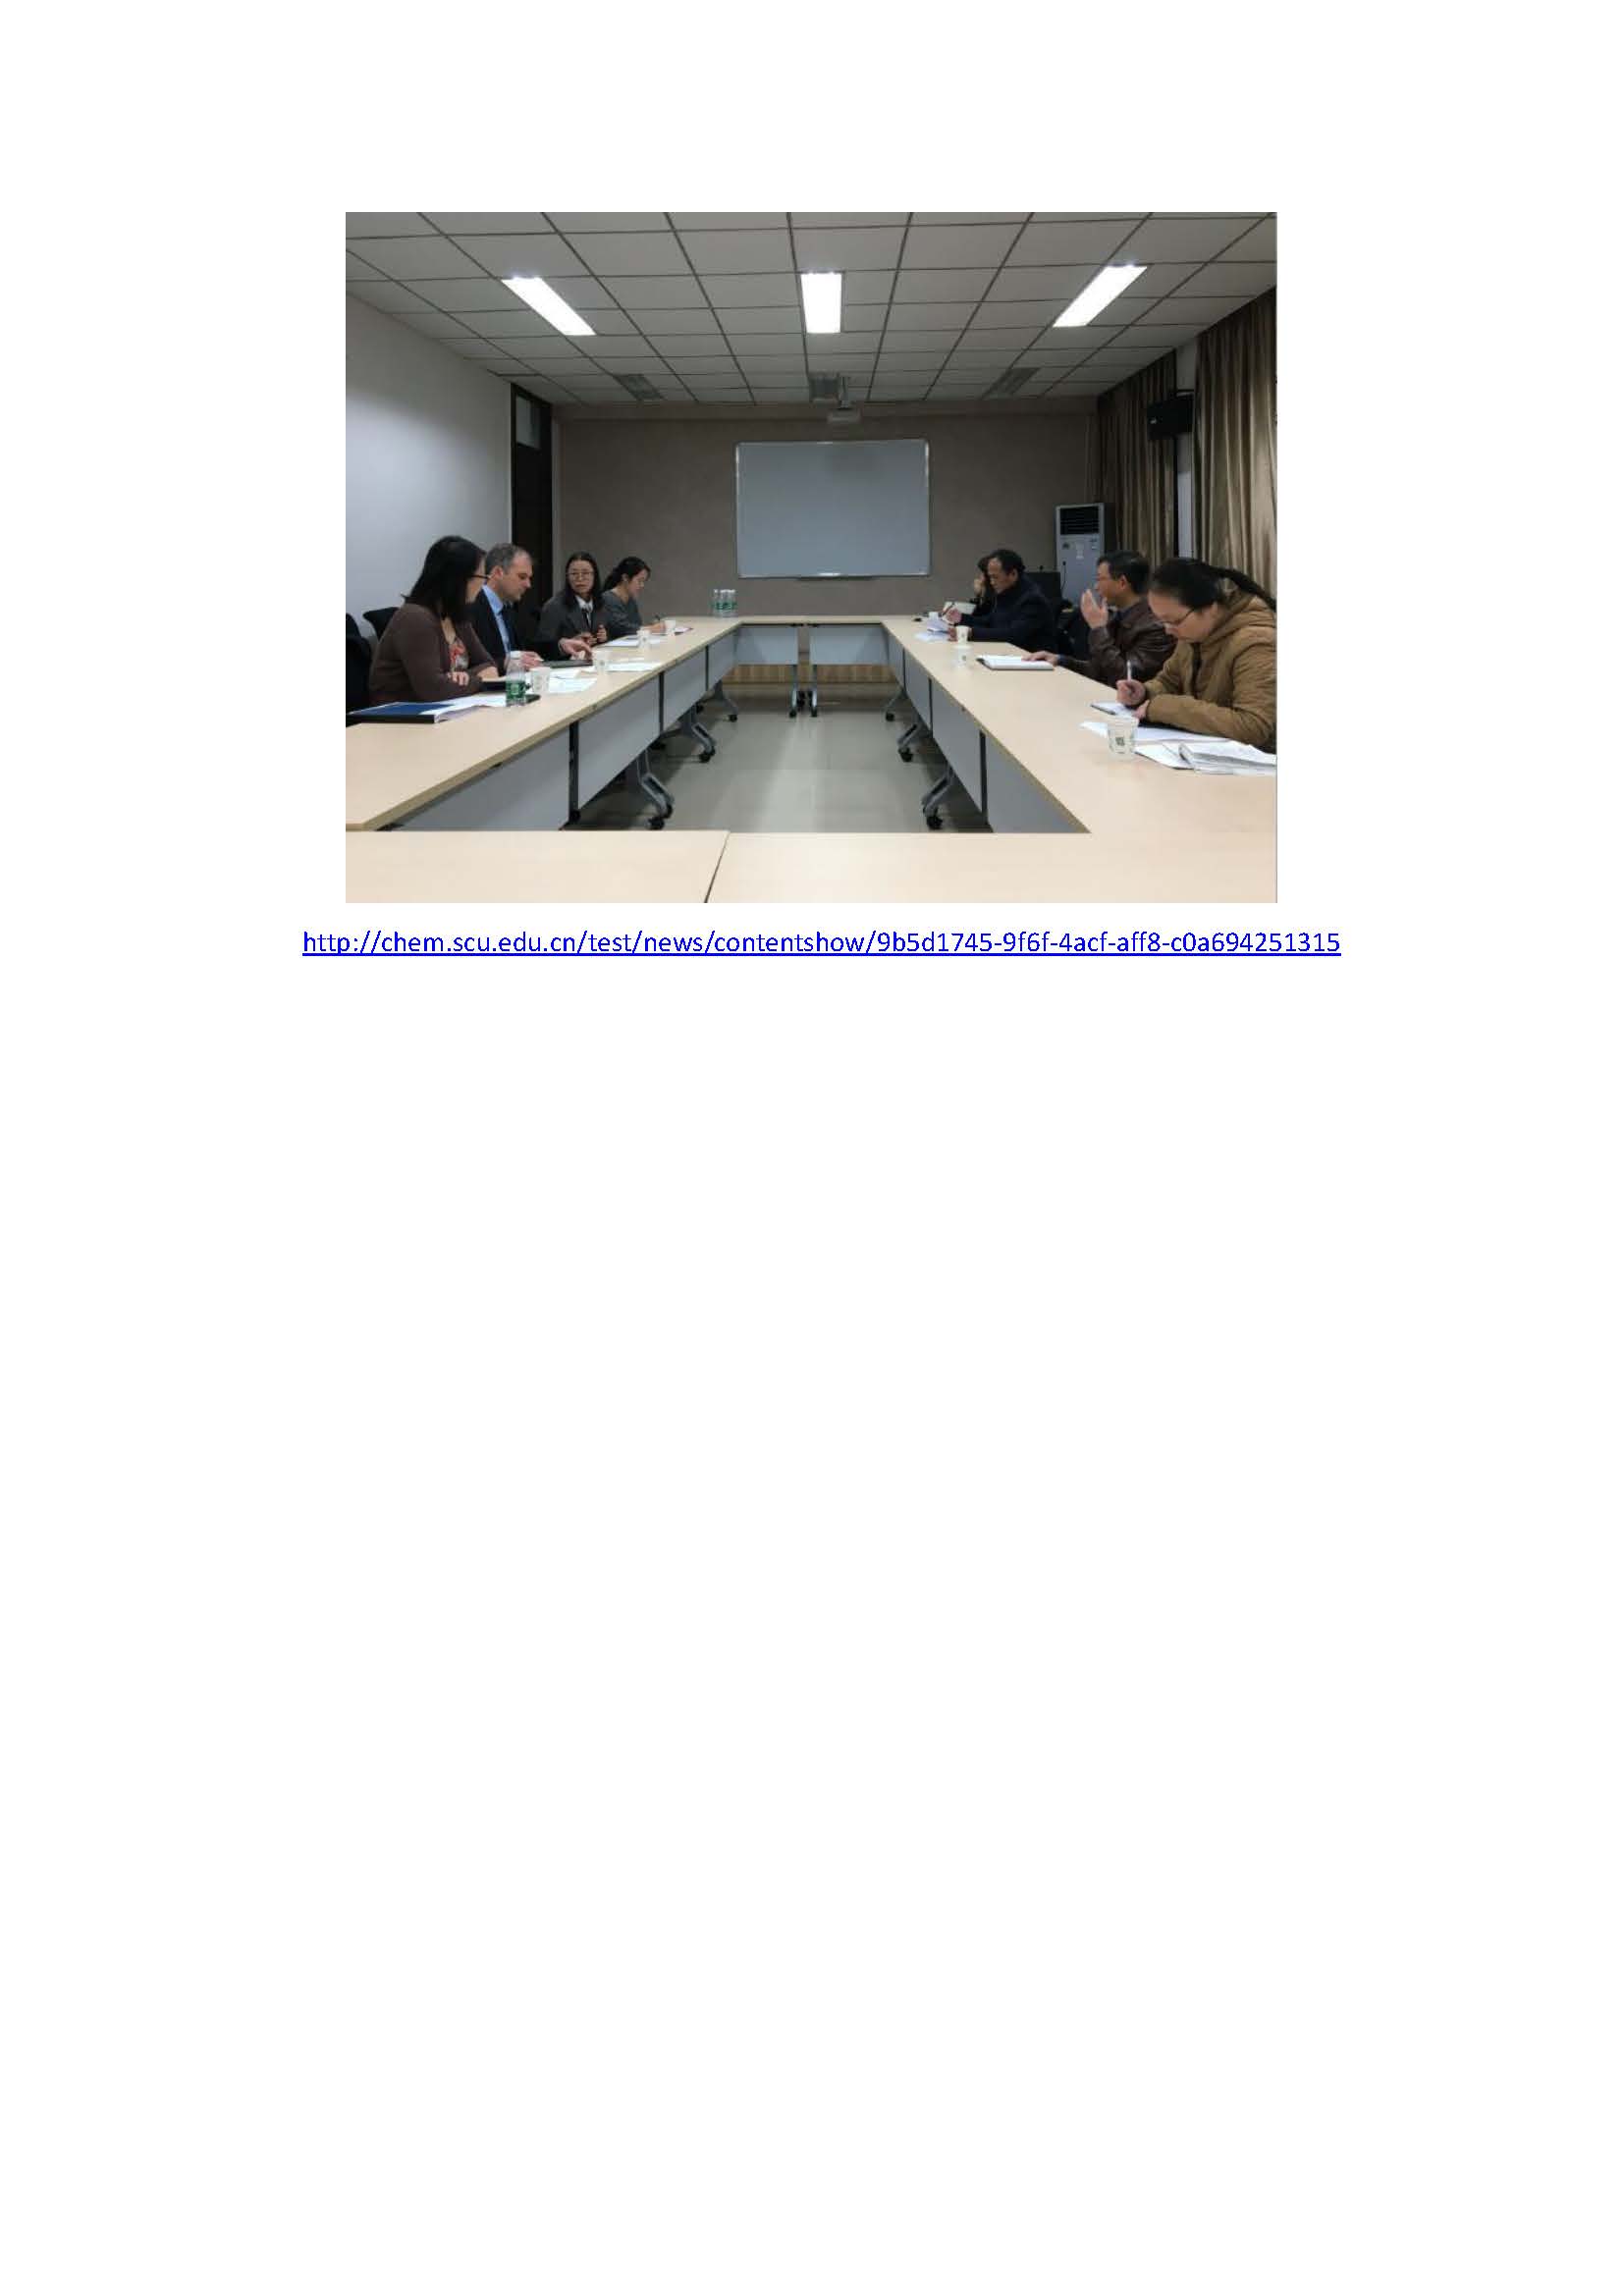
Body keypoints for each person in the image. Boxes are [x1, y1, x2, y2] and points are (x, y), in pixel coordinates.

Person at [1115, 559, 1276, 751]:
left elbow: (1253, 726)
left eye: (1174, 621)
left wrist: (1167, 708)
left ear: (1211, 608)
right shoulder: (1193, 634)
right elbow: (1169, 681)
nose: (1168, 630)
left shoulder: (1256, 641)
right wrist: (1144, 692)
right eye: (1162, 621)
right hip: (1202, 750)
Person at [367, 535, 503, 703]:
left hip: (445, 707)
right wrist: (479, 680)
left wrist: (463, 677)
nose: (483, 585)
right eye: (482, 578)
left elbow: (489, 665)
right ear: (460, 579)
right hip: (401, 713)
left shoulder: (457, 616)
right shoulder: (415, 618)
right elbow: (433, 690)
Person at [1026, 550, 1176, 686]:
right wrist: (1060, 660)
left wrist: (1098, 629)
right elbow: (1098, 671)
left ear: (1122, 583)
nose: (1096, 587)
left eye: (1100, 579)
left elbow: (1126, 678)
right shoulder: (1116, 616)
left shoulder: (1155, 626)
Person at [469, 543, 547, 673]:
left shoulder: (507, 609)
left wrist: (561, 645)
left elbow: (525, 648)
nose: (528, 585)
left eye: (529, 578)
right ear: (498, 573)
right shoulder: (471, 606)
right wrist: (505, 663)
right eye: (522, 577)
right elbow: (469, 664)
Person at [959, 548, 1056, 652]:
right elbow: (990, 621)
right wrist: (960, 619)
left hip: (1032, 658)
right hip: (1009, 654)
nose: (991, 582)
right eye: (990, 577)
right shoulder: (1007, 592)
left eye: (995, 577)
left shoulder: (1032, 599)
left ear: (1013, 574)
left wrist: (972, 633)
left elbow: (1013, 635)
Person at [534, 553, 608, 658]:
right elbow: (543, 649)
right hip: (568, 663)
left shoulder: (601, 602)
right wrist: (570, 643)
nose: (580, 578)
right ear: (567, 577)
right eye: (574, 574)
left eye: (585, 573)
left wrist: (603, 637)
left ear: (594, 576)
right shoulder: (554, 606)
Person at [601, 557, 666, 639]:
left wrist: (652, 627)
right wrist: (651, 629)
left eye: (644, 581)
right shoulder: (608, 598)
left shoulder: (631, 600)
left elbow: (635, 627)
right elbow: (623, 629)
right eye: (639, 581)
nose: (642, 585)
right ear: (625, 578)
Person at [945, 558, 994, 631]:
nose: (980, 576)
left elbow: (980, 618)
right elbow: (975, 616)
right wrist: (977, 595)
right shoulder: (988, 593)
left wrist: (979, 596)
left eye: (982, 573)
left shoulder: (994, 596)